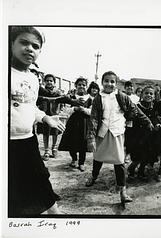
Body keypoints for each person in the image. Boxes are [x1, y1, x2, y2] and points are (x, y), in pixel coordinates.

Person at [9, 26, 65, 216]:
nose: (29, 49)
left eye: (35, 46)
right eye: (23, 42)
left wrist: (45, 117)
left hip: (28, 140)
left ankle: (56, 217)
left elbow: (30, 106)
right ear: (11, 43)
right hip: (7, 144)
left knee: (40, 178)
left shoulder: (33, 79)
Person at [85, 71, 154, 204]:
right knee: (98, 157)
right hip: (102, 132)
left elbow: (136, 110)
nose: (109, 84)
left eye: (112, 81)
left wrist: (147, 121)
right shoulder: (98, 98)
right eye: (106, 81)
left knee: (119, 162)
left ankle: (122, 191)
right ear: (102, 82)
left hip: (117, 133)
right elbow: (93, 118)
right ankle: (94, 177)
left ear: (116, 84)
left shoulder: (121, 96)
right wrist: (91, 138)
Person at [58, 77, 92, 172]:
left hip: (84, 123)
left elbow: (92, 112)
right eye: (79, 85)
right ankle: (74, 159)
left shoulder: (89, 99)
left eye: (84, 85)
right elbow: (65, 111)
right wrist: (74, 109)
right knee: (71, 141)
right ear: (75, 86)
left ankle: (81, 163)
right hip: (73, 123)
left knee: (83, 143)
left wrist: (84, 110)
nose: (81, 86)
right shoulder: (71, 98)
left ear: (86, 87)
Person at [127, 85, 161, 181]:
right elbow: (132, 120)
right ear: (141, 94)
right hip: (138, 136)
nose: (148, 95)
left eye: (151, 93)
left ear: (154, 96)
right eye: (146, 93)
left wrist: (157, 124)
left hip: (150, 136)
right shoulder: (137, 106)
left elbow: (154, 118)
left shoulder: (154, 107)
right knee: (137, 157)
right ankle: (131, 169)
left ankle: (141, 171)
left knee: (146, 156)